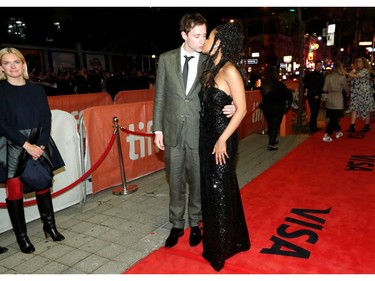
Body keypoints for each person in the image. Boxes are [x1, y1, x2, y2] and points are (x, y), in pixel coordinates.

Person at [152, 13, 235, 249]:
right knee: (175, 181)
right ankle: (177, 225)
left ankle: (196, 223)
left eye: (204, 35)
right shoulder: (166, 59)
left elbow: (224, 86)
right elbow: (159, 98)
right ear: (184, 35)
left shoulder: (208, 62)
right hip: (172, 133)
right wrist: (157, 129)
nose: (202, 40)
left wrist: (232, 103)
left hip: (199, 132)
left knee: (197, 182)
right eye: (197, 36)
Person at [0, 47, 65, 254]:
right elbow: (1, 123)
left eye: (16, 62)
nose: (12, 67)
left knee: (42, 182)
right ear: (1, 68)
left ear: (23, 64)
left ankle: (50, 226)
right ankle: (22, 237)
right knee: (15, 191)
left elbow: (46, 118)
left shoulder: (37, 89)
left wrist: (42, 144)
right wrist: (26, 145)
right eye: (7, 63)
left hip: (39, 143)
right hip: (11, 144)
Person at [199, 20, 250, 271]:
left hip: (223, 139)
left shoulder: (230, 70)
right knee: (214, 189)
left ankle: (219, 249)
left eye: (209, 37)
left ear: (219, 42)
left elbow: (242, 109)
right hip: (207, 138)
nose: (206, 40)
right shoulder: (211, 68)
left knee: (219, 189)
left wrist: (222, 139)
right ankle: (230, 240)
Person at [260, 66, 293, 151]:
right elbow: (288, 95)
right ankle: (271, 145)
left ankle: (272, 141)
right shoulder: (279, 84)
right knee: (275, 126)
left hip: (267, 108)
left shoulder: (264, 85)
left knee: (270, 125)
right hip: (277, 108)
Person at [321, 62, 350, 142]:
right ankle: (326, 134)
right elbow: (346, 88)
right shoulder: (342, 77)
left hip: (329, 98)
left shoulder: (328, 77)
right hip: (338, 98)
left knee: (334, 116)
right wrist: (348, 92)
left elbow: (324, 88)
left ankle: (338, 132)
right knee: (334, 118)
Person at [346, 57, 375, 132]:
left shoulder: (366, 70)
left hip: (365, 93)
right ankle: (352, 125)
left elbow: (357, 76)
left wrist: (348, 73)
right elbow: (349, 79)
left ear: (364, 63)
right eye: (357, 62)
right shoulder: (357, 71)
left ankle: (367, 125)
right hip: (356, 93)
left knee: (367, 109)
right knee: (354, 108)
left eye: (360, 62)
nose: (358, 63)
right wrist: (352, 72)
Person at [303, 60, 325, 132]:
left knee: (315, 111)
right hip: (313, 95)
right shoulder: (312, 75)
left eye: (320, 65)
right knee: (314, 111)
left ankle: (313, 126)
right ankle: (313, 127)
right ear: (315, 66)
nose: (319, 67)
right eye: (318, 65)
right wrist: (315, 94)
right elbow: (310, 85)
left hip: (316, 95)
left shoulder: (320, 75)